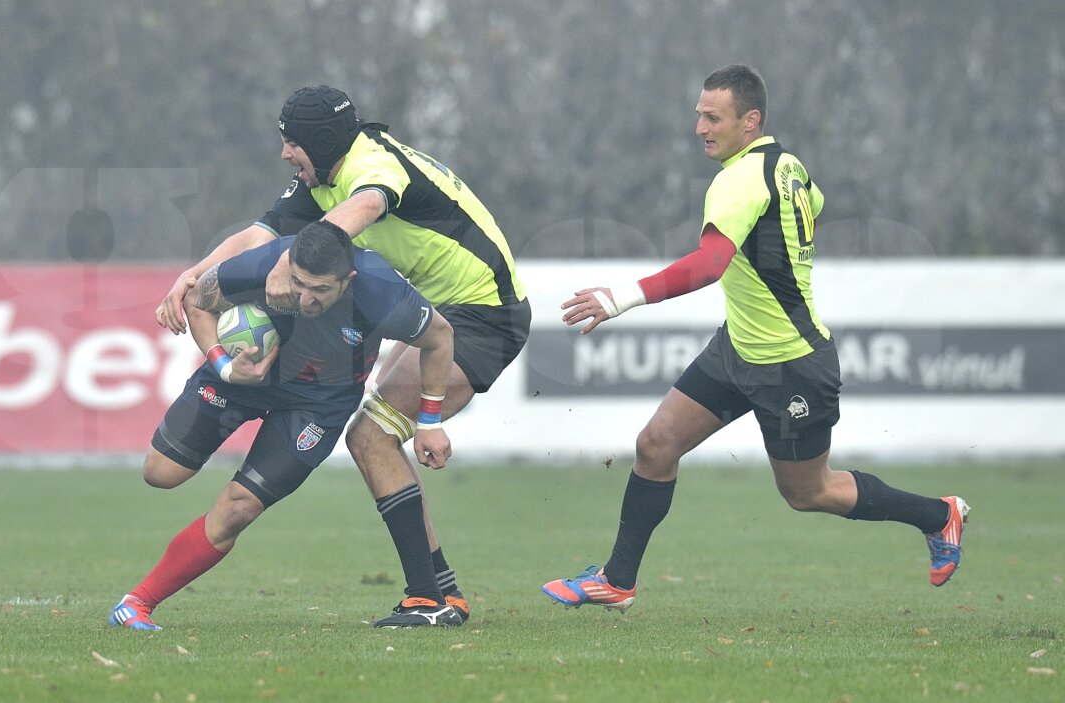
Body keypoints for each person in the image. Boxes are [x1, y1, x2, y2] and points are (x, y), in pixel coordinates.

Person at [541, 64, 970, 612]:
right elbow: (814, 204)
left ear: (750, 121)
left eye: (712, 117)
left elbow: (709, 265)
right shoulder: (788, 165)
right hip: (738, 349)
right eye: (699, 115)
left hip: (791, 364)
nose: (700, 128)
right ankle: (617, 580)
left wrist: (620, 297)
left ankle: (939, 515)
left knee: (808, 492)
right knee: (656, 445)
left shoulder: (739, 180)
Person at [155, 85, 531, 627]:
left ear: (322, 141)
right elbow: (260, 234)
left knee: (370, 435)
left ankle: (428, 600)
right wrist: (193, 277)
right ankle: (442, 595)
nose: (285, 153)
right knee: (374, 433)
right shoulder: (323, 178)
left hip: (484, 314)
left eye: (292, 143)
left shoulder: (370, 166)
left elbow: (370, 203)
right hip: (444, 308)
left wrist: (292, 261)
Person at [111, 220, 462, 630]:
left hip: (316, 405)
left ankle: (136, 603)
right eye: (298, 283)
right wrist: (224, 366)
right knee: (160, 473)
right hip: (238, 381)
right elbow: (197, 301)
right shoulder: (262, 266)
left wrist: (429, 421)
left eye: (320, 290)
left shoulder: (381, 290)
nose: (306, 298)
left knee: (238, 508)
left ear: (348, 281)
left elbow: (440, 337)